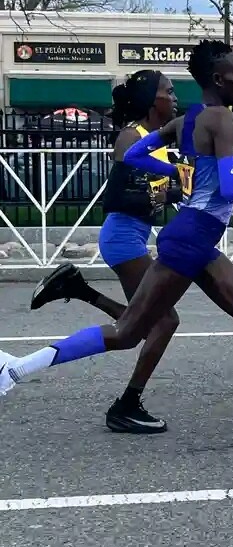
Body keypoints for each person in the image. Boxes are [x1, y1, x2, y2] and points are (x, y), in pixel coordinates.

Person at [1, 39, 233, 459]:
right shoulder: (220, 118)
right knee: (128, 332)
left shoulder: (186, 119)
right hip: (191, 239)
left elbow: (134, 154)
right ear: (218, 79)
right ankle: (14, 369)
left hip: (195, 238)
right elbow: (231, 188)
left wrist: (178, 169)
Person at [29, 69, 182, 434]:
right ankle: (127, 405)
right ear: (152, 100)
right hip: (122, 238)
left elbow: (161, 191)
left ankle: (77, 288)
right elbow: (118, 194)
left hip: (133, 237)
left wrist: (179, 186)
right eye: (169, 91)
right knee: (164, 321)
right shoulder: (132, 136)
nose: (175, 97)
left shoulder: (157, 140)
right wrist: (165, 193)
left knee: (140, 325)